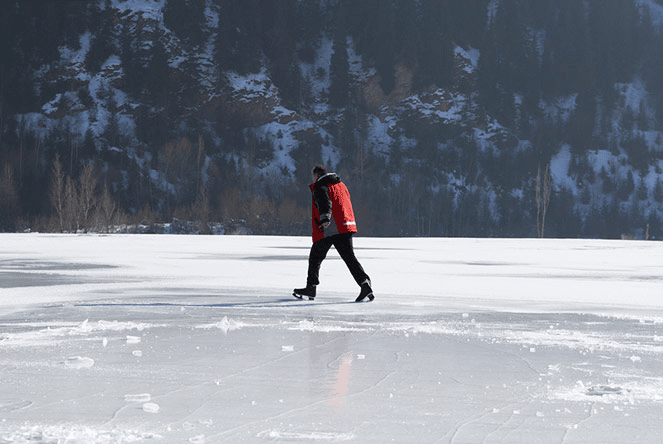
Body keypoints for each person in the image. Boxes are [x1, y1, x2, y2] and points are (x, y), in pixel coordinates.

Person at [293, 165, 374, 302]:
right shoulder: (340, 184)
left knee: (315, 258)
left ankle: (311, 288)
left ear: (317, 175)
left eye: (313, 177)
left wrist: (325, 218)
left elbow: (325, 202)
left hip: (330, 228)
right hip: (345, 226)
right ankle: (364, 284)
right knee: (349, 258)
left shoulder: (321, 185)